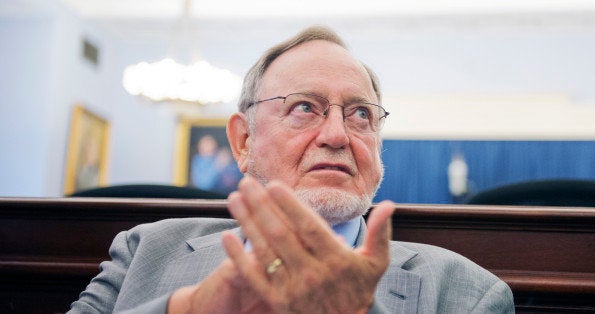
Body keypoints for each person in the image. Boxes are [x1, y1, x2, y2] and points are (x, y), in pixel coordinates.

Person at [69, 26, 514, 313]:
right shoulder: (145, 250)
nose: (338, 135)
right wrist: (190, 310)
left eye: (361, 114)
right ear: (244, 141)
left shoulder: (468, 294)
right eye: (305, 107)